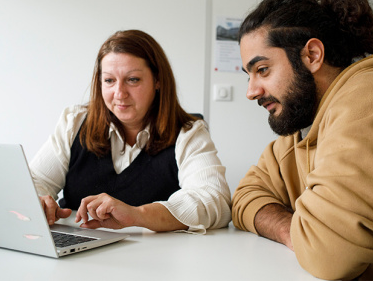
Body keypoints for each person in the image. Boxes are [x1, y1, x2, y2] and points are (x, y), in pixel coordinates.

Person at [232, 0, 373, 280]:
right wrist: (294, 231)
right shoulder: (301, 128)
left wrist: (306, 233)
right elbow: (244, 197)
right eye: (248, 75)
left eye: (262, 69)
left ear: (312, 55)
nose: (251, 92)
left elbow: (331, 253)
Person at [31, 29, 231, 234]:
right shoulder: (74, 122)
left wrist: (139, 215)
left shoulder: (189, 133)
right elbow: (34, 181)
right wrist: (38, 200)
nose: (119, 93)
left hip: (153, 259)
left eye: (133, 79)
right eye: (109, 80)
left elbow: (215, 200)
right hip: (77, 253)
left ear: (158, 80)